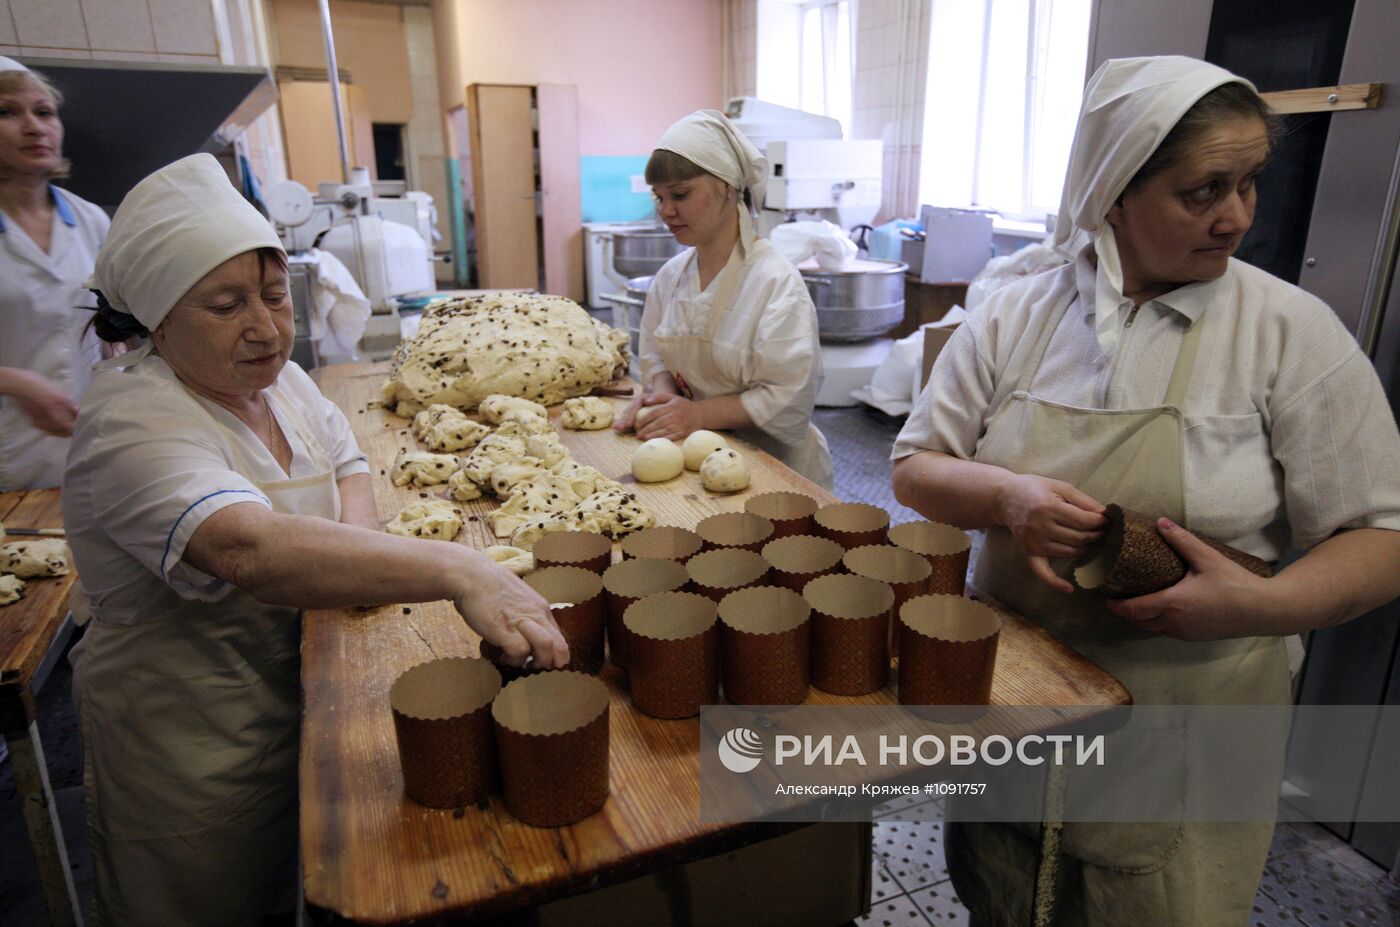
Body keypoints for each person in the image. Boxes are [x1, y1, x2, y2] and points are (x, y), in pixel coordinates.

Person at [891, 56, 1400, 925]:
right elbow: (916, 466)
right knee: (1005, 890)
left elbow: (1382, 537)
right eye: (1203, 190)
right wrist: (1008, 498)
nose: (1236, 215)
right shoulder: (1018, 314)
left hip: (1191, 716)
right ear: (1115, 191)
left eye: (1247, 183)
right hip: (1020, 694)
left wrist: (1261, 605)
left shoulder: (1288, 334)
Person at [63, 154, 570, 926]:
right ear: (158, 321)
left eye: (273, 296)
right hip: (191, 736)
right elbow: (248, 550)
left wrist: (362, 555)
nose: (265, 327)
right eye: (226, 305)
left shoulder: (281, 384)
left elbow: (347, 459)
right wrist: (455, 566)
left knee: (316, 886)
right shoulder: (132, 421)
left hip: (303, 694)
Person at [614, 110, 834, 490]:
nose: (666, 211)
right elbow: (654, 353)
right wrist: (664, 402)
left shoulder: (774, 283)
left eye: (680, 195)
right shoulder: (670, 278)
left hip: (775, 466)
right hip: (692, 461)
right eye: (660, 197)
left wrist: (697, 414)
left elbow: (788, 392)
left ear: (727, 188)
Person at [0, 56, 109, 491]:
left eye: (43, 112)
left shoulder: (90, 221)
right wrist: (17, 383)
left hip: (90, 446)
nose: (34, 126)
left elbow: (114, 318)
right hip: (10, 454)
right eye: (7, 112)